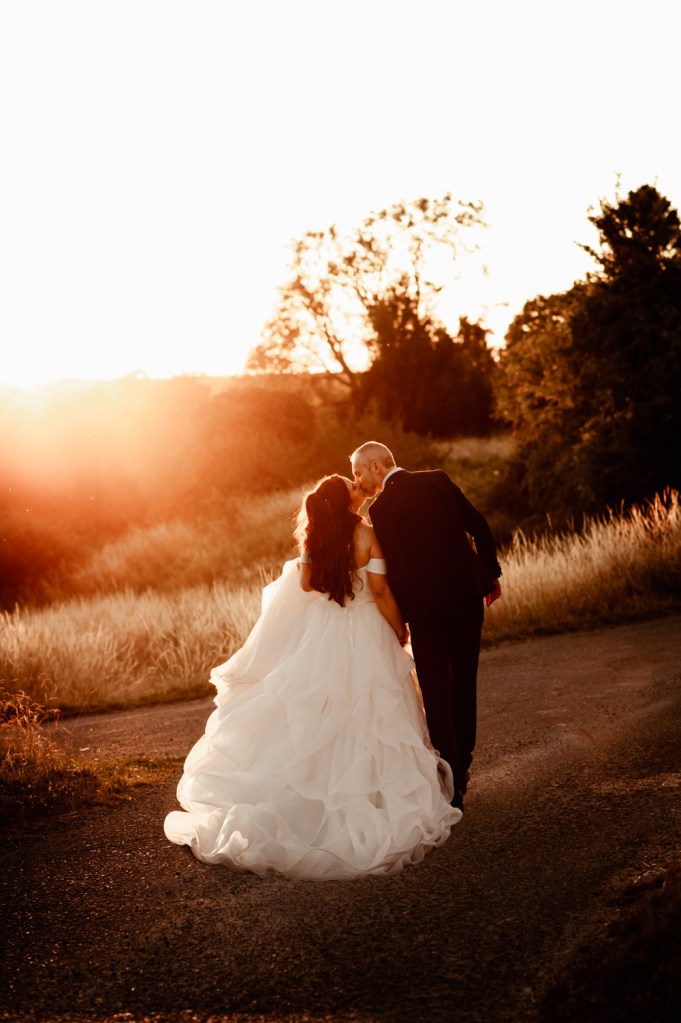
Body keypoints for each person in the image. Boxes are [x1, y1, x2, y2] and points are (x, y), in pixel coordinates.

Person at [164, 474, 460, 880]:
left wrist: (331, 579)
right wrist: (399, 629)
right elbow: (380, 591)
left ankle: (315, 790)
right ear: (347, 502)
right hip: (366, 630)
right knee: (372, 710)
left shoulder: (316, 536)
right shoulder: (367, 534)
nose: (358, 489)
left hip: (325, 631)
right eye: (352, 487)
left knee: (322, 709)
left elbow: (306, 583)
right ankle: (370, 791)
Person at [350, 442, 502, 811]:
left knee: (436, 693)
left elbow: (397, 569)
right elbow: (479, 525)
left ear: (376, 466)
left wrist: (400, 620)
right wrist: (491, 574)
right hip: (467, 598)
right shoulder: (438, 479)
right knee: (464, 679)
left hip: (427, 612)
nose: (358, 480)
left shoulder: (381, 509)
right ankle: (463, 763)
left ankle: (452, 781)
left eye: (358, 472)